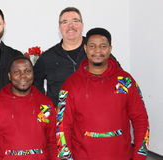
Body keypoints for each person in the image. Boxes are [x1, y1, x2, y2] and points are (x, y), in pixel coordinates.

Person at [56, 28, 149, 160]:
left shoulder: (125, 81)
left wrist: (140, 155)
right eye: (92, 46)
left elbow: (141, 119)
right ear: (85, 48)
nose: (97, 51)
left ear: (110, 49)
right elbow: (62, 126)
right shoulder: (71, 84)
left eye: (103, 46)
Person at [0, 56, 57, 160]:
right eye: (17, 72)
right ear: (9, 76)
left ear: (33, 74)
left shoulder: (45, 104)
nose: (23, 76)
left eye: (27, 71)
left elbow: (53, 142)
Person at [34, 7, 119, 104]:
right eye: (65, 22)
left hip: (94, 112)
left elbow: (122, 79)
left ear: (82, 25)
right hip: (61, 115)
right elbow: (34, 87)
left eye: (75, 21)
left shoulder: (97, 52)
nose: (70, 26)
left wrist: (112, 102)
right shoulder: (47, 58)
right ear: (59, 28)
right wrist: (47, 108)